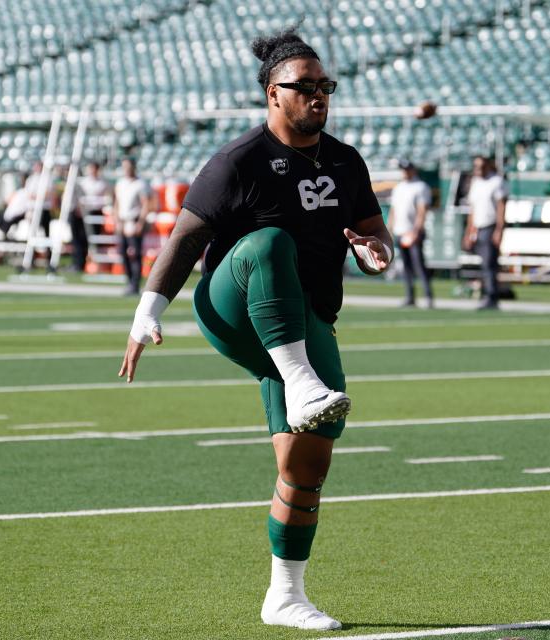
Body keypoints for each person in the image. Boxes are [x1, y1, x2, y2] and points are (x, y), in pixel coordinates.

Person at [118, 27, 392, 631]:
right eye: (306, 86)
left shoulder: (346, 160)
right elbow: (185, 239)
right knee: (270, 241)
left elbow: (376, 232)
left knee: (307, 465)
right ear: (273, 93)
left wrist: (377, 252)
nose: (320, 95)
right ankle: (298, 378)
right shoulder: (237, 160)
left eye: (327, 86)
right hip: (233, 308)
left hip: (306, 317)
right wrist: (146, 316)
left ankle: (284, 596)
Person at [463, 155, 508, 310]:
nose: (478, 170)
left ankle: (492, 296)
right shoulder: (476, 183)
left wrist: (499, 229)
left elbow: (501, 207)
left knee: (490, 264)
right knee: (484, 264)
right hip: (478, 227)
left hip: (490, 225)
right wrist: (469, 232)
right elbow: (472, 210)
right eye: (476, 166)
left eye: (481, 166)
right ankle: (487, 293)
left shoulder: (496, 181)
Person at [389, 159, 433, 307]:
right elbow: (394, 210)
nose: (405, 172)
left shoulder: (420, 187)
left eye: (407, 169)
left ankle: (428, 296)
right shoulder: (399, 188)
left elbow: (422, 211)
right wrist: (389, 228)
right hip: (400, 231)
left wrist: (416, 231)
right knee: (405, 266)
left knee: (419, 265)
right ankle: (410, 296)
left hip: (412, 231)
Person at [114, 158, 150, 294]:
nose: (126, 170)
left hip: (133, 220)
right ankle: (129, 281)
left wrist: (140, 222)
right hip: (123, 221)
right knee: (123, 253)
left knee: (135, 253)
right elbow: (117, 203)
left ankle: (135, 283)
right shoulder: (121, 183)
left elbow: (145, 204)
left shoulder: (140, 184)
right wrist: (117, 220)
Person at [78, 161, 111, 237]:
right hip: (86, 211)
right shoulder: (83, 182)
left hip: (98, 210)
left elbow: (108, 197)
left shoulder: (103, 183)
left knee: (96, 232)